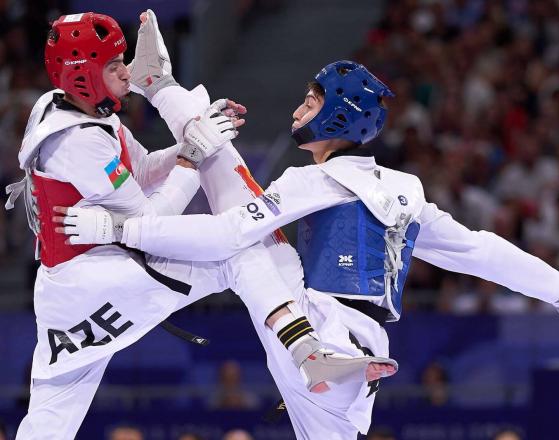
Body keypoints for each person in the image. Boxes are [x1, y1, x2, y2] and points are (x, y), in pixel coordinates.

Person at [6, 11, 391, 439]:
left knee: (51, 414)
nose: (124, 71)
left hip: (64, 290)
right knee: (239, 249)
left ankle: (310, 352)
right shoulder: (78, 141)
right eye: (114, 66)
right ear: (82, 76)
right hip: (101, 276)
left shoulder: (72, 109)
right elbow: (151, 223)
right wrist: (193, 153)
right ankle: (306, 350)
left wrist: (201, 137)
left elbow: (147, 167)